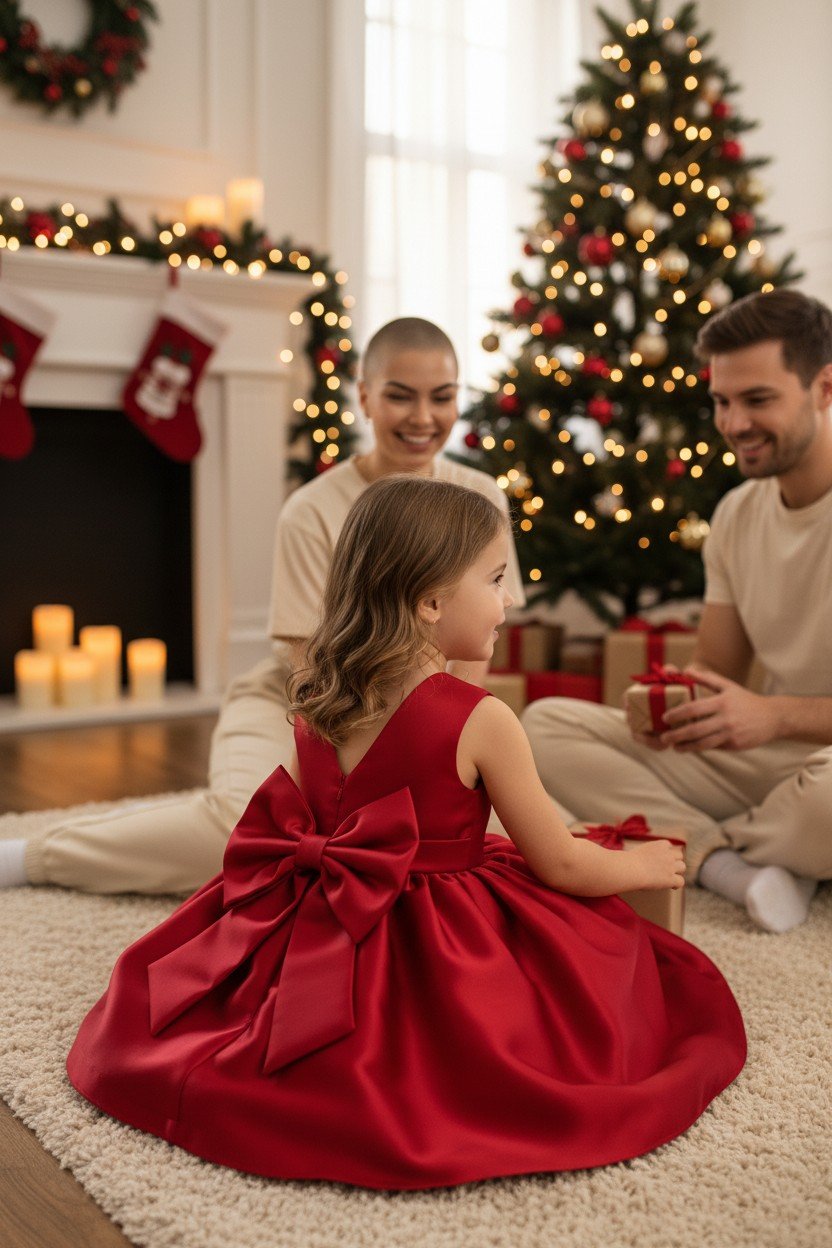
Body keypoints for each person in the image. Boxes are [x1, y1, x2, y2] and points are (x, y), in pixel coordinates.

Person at [66, 477, 745, 1191]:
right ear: (430, 602)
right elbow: (562, 864)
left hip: (326, 901)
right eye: (496, 579)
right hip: (439, 927)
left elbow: (321, 815)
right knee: (629, 972)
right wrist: (643, 865)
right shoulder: (481, 717)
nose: (509, 600)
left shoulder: (315, 700)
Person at [0, 317, 523, 895]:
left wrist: (434, 762)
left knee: (493, 840)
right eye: (400, 396)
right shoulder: (312, 510)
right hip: (309, 703)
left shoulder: (480, 498)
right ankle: (33, 856)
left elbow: (471, 665)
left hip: (427, 717)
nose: (423, 417)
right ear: (366, 398)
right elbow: (313, 674)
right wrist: (363, 780)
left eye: (441, 397)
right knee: (251, 831)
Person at [522, 288, 832, 934]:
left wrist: (772, 714)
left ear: (824, 388)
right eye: (722, 401)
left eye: (758, 400)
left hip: (818, 764)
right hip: (769, 760)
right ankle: (734, 863)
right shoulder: (737, 516)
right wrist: (671, 709)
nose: (733, 424)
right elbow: (718, 665)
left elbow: (768, 715)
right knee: (544, 726)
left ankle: (721, 846)